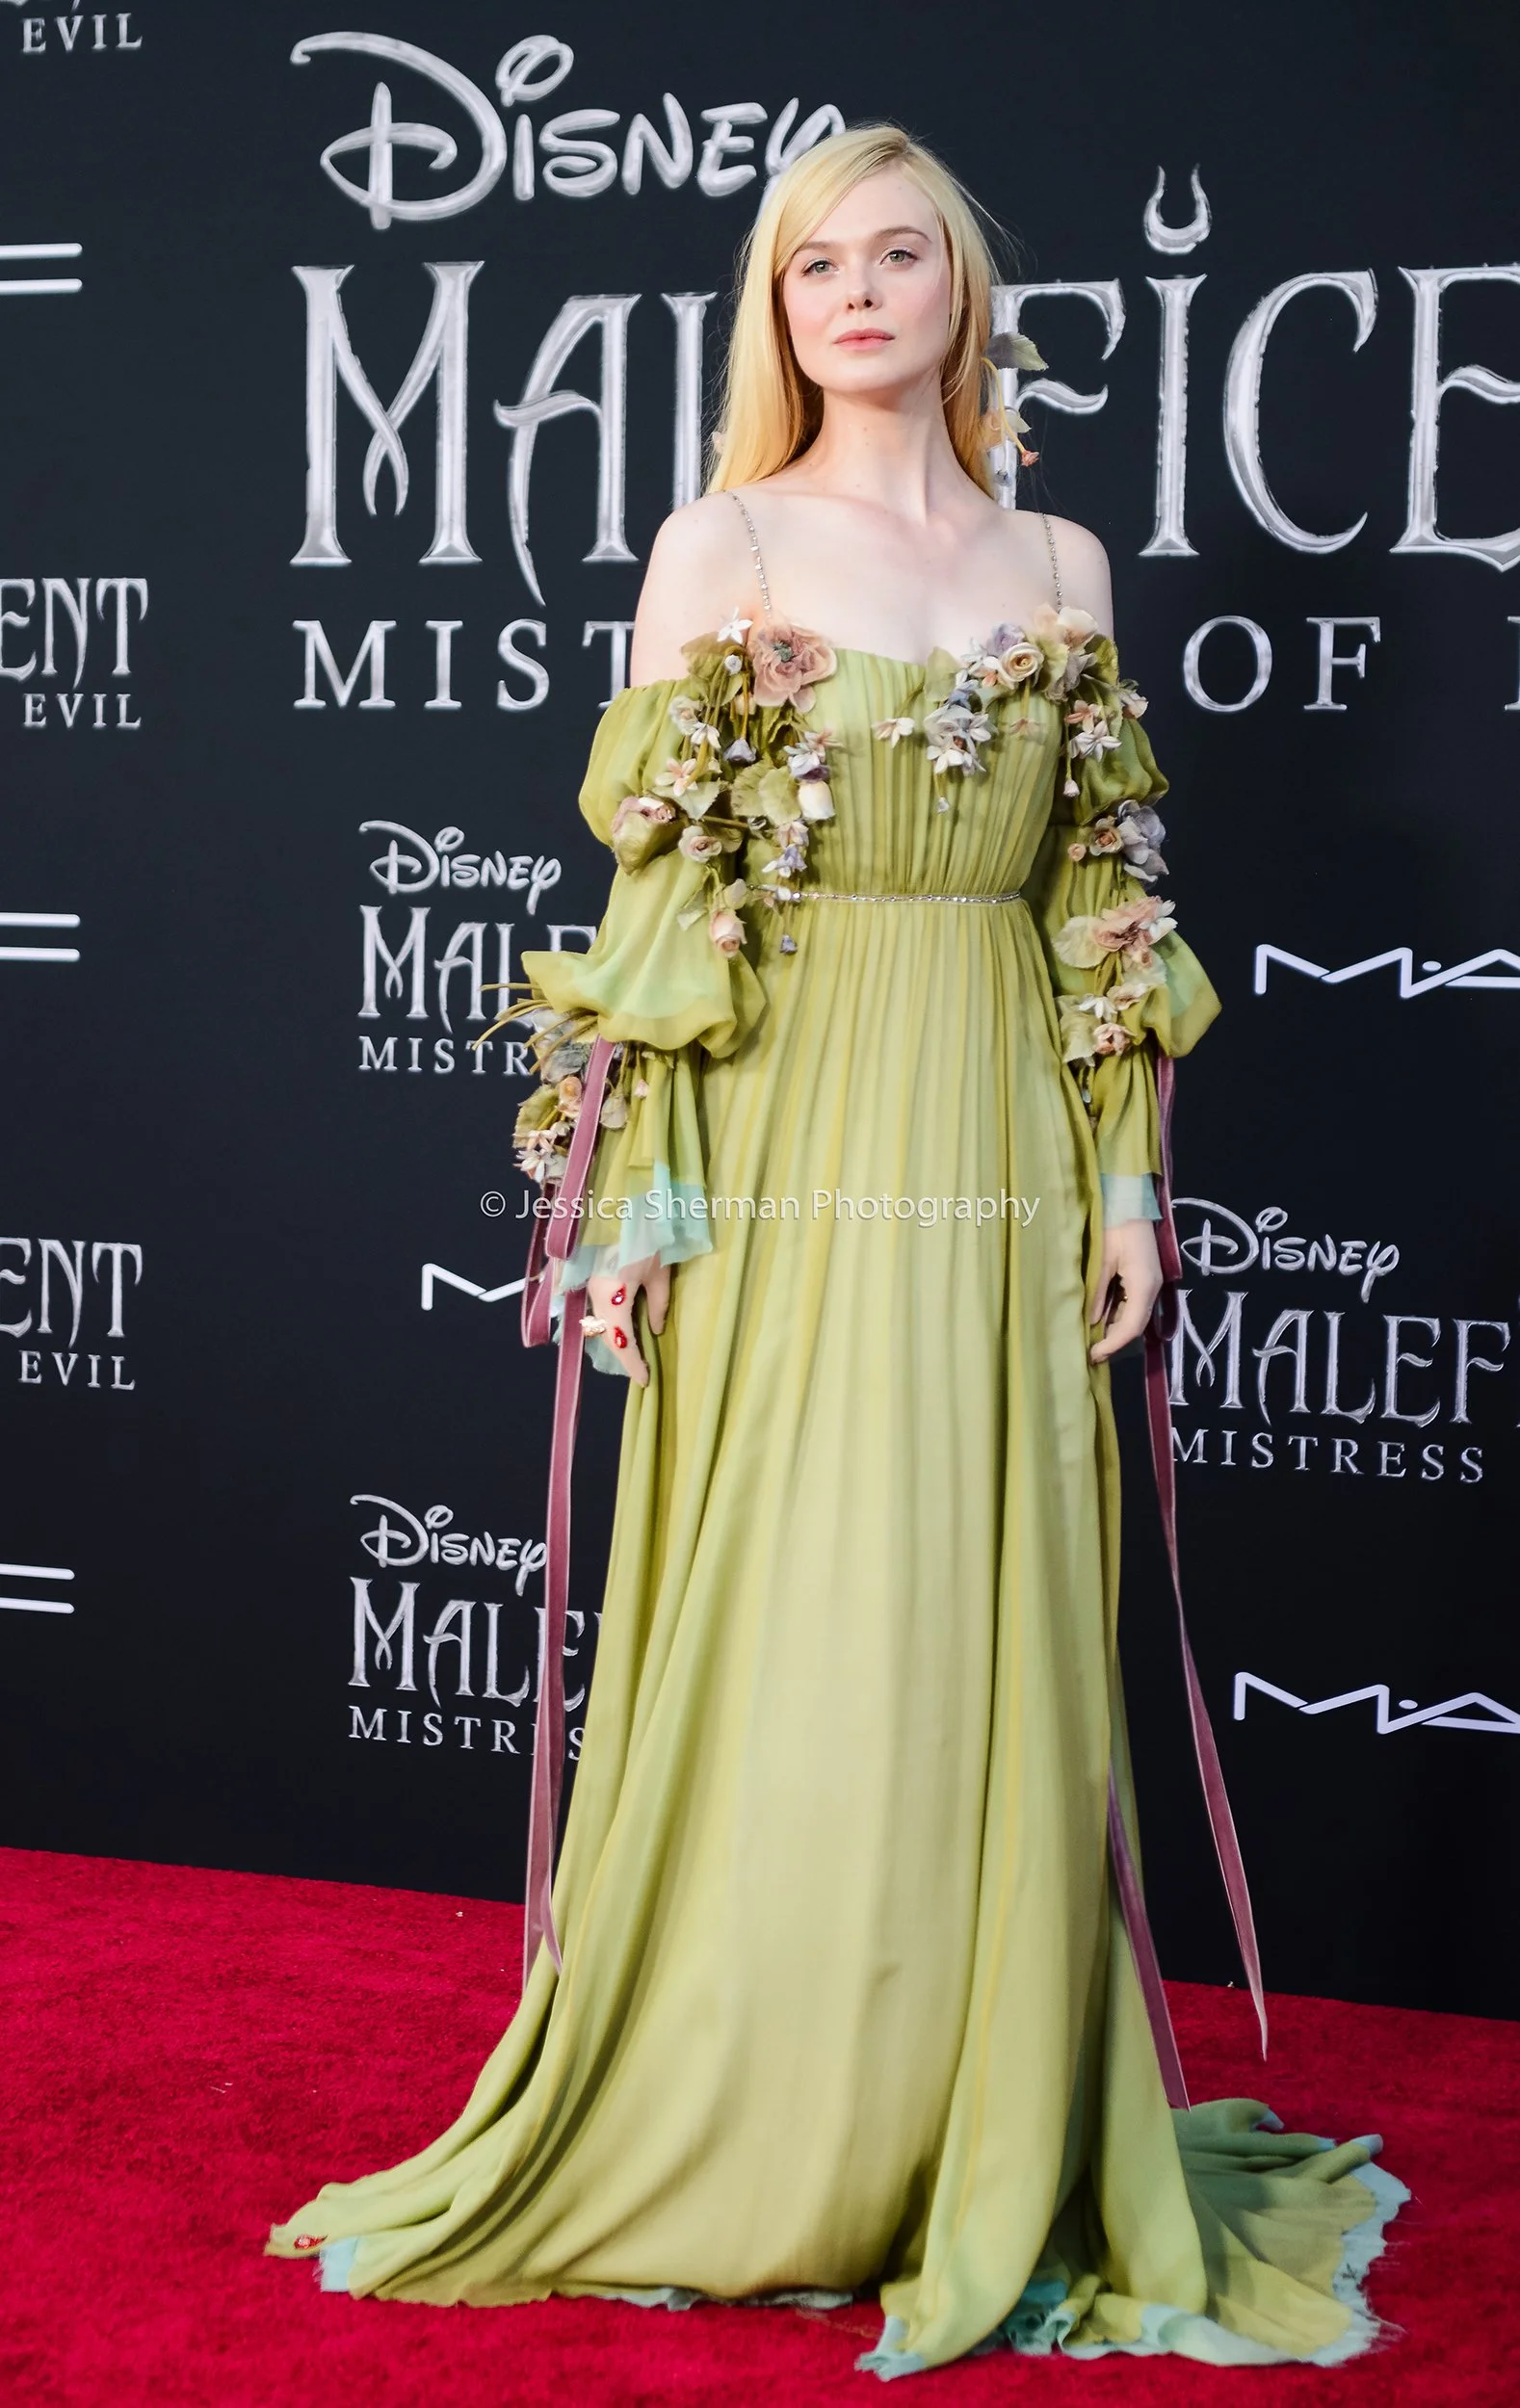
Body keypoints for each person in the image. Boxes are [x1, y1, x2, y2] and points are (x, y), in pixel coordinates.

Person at [270, 123, 1406, 2375]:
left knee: (993, 1610)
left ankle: (971, 2112)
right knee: (796, 1597)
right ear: (773, 310)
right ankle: (761, 2111)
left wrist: (1122, 1178)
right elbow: (663, 903)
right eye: (815, 266)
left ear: (963, 296)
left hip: (992, 1118)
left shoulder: (1064, 560)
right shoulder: (724, 540)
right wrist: (633, 1197)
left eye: (901, 256)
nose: (861, 293)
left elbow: (1105, 906)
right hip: (788, 1131)